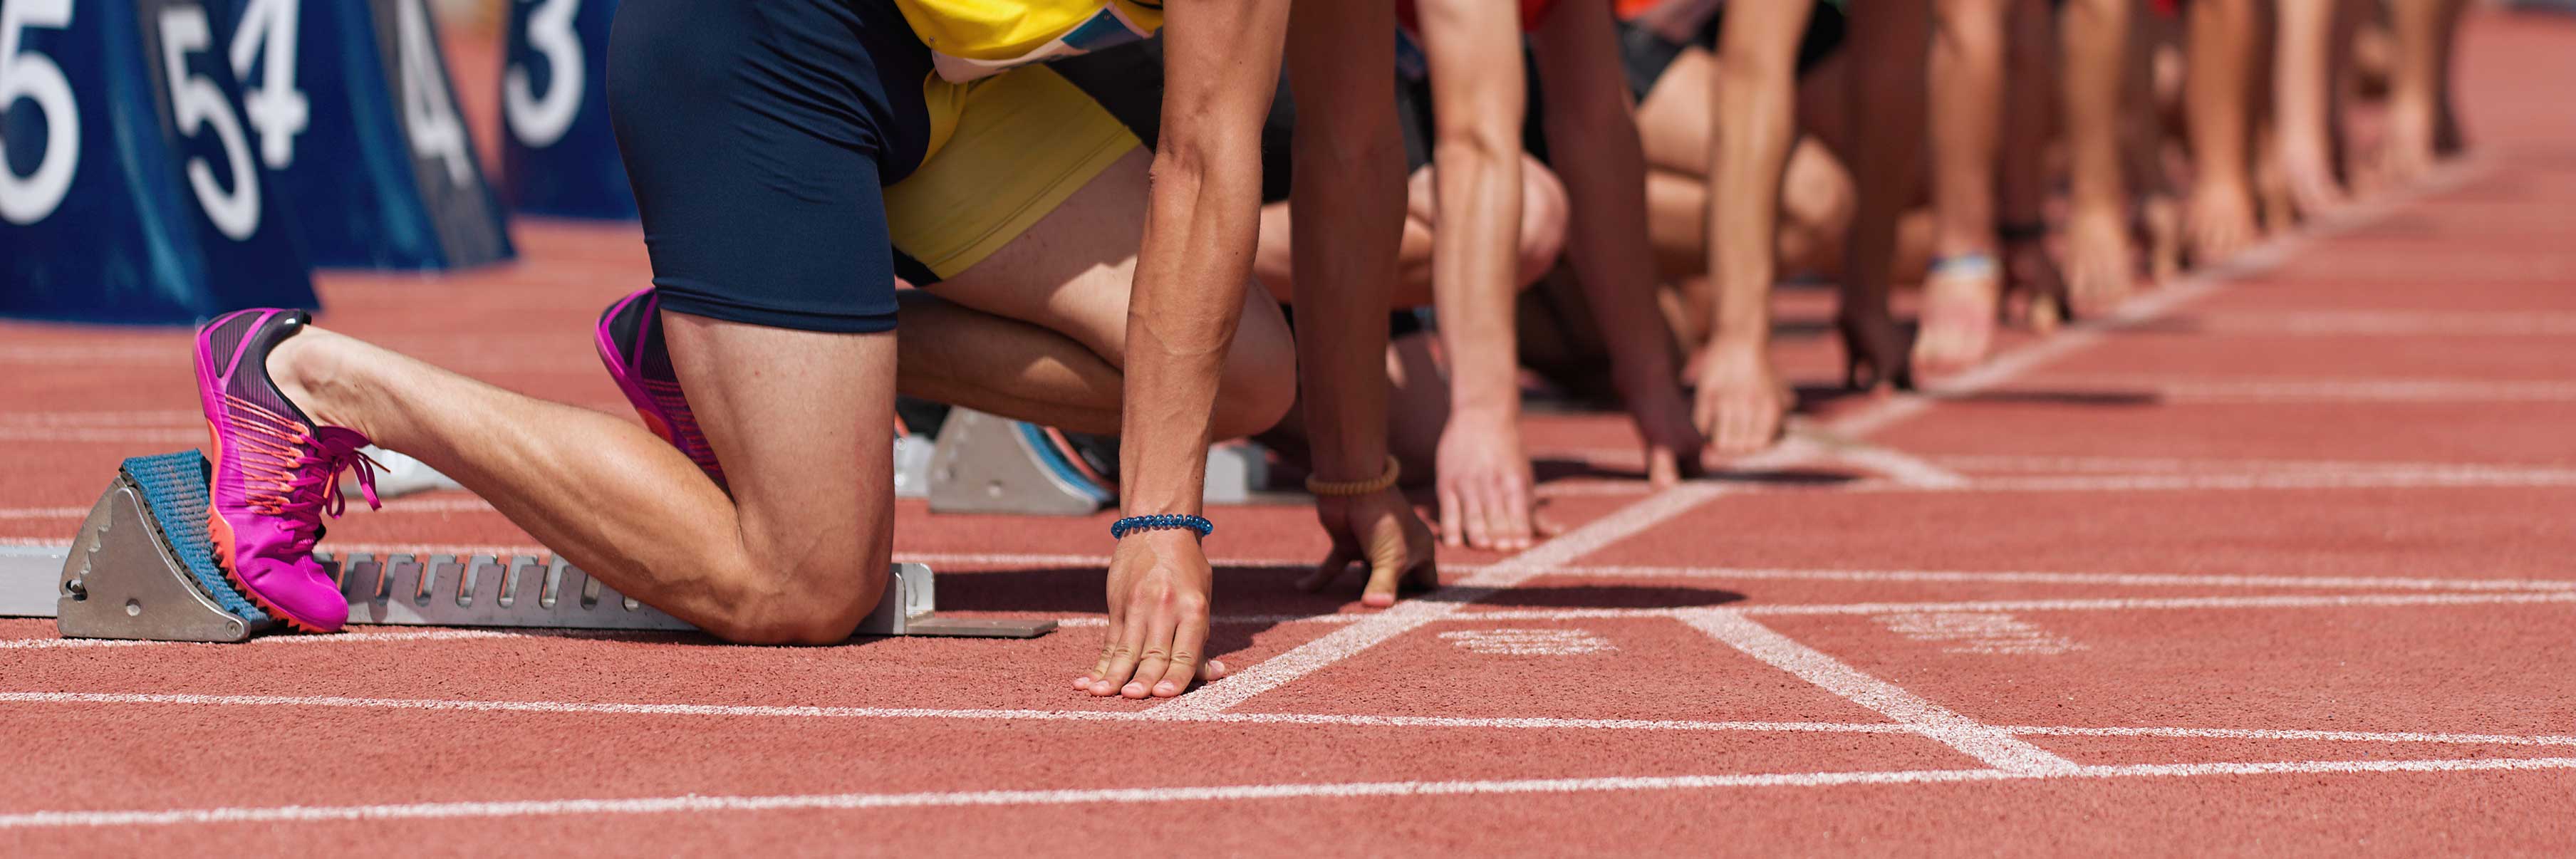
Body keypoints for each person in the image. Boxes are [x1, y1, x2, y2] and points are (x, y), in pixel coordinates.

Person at [191, 0, 1426, 701]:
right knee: (804, 584)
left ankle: (712, 358)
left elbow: (1358, 150)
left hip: (945, 79)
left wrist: (1356, 475)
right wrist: (1159, 527)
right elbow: (1203, 160)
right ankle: (308, 378)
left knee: (1252, 375)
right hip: (763, 39)